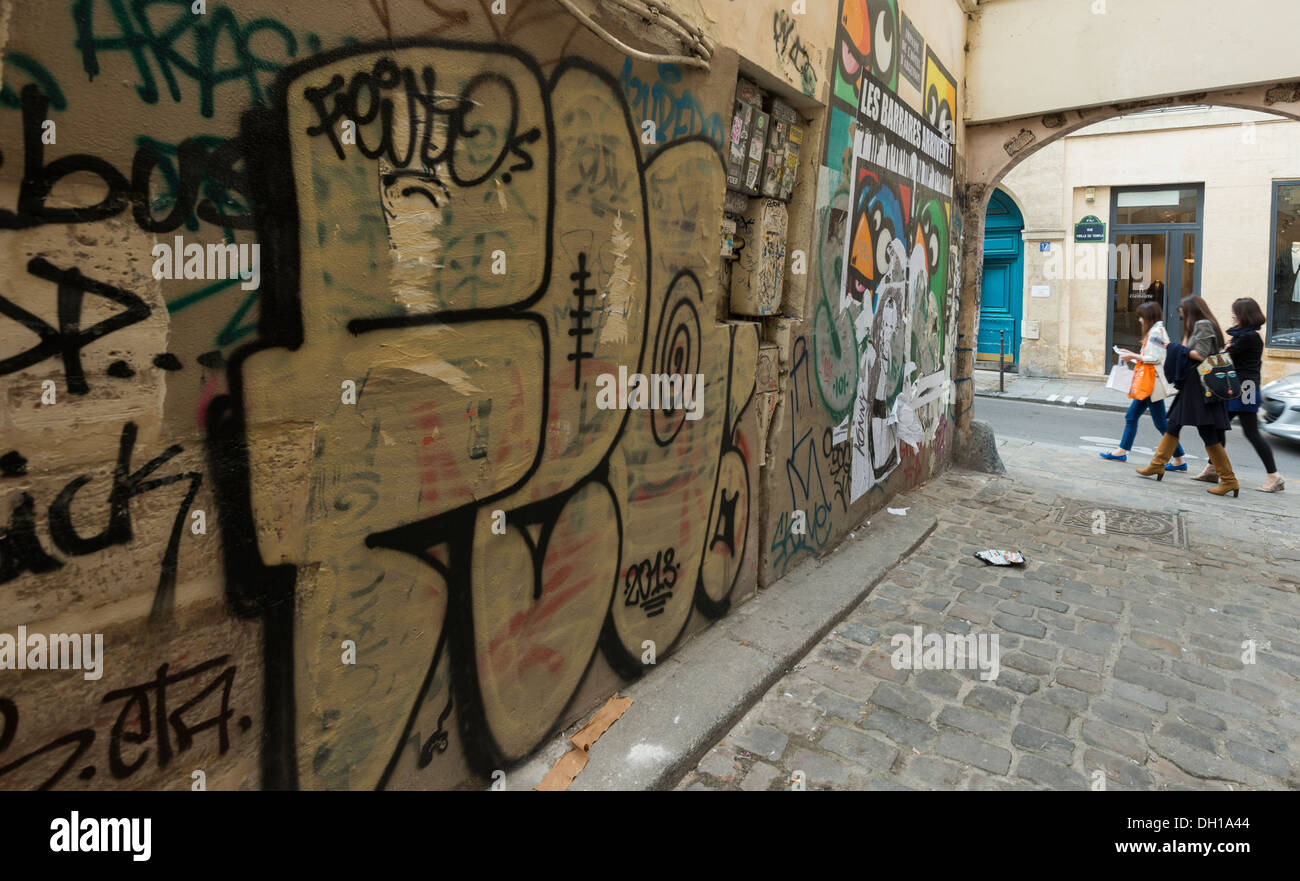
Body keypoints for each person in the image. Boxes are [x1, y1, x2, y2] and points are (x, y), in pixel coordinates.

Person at [1136, 295, 1239, 496]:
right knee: (1174, 424)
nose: (1180, 313)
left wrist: (1173, 347)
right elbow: (1190, 350)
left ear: (1191, 310)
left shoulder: (1203, 324)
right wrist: (1182, 342)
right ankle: (1157, 465)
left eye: (1182, 310)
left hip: (1198, 386)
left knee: (1207, 431)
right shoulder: (1196, 326)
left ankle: (1229, 480)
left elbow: (1201, 355)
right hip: (1192, 385)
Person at [1099, 301, 1186, 469]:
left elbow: (1156, 359)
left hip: (1151, 383)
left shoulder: (1155, 332)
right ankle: (1123, 451)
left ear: (1149, 317)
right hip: (1149, 382)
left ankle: (1179, 459)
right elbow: (1152, 356)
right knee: (1135, 417)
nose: (1139, 320)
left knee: (1157, 422)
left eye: (1141, 317)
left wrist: (1133, 355)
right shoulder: (1156, 330)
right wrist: (1131, 356)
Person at [1221, 298, 1284, 492]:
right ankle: (1212, 467)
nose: (1232, 315)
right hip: (1240, 387)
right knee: (1218, 425)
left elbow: (1226, 356)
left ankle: (1274, 476)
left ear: (1244, 315)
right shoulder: (1243, 335)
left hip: (1246, 388)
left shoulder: (1249, 337)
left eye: (1236, 312)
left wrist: (1227, 348)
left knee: (1251, 432)